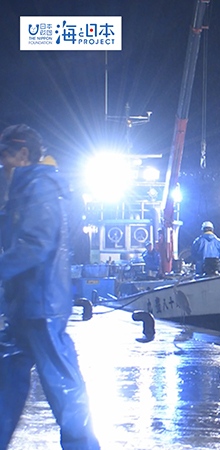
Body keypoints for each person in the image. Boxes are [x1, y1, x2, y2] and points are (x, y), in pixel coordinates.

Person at [0, 124, 100, 449]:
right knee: (7, 381)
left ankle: (81, 445)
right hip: (23, 305)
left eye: (5, 158)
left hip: (41, 305)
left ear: (23, 154)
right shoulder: (23, 189)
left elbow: (36, 243)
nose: (2, 166)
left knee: (62, 384)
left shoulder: (40, 187)